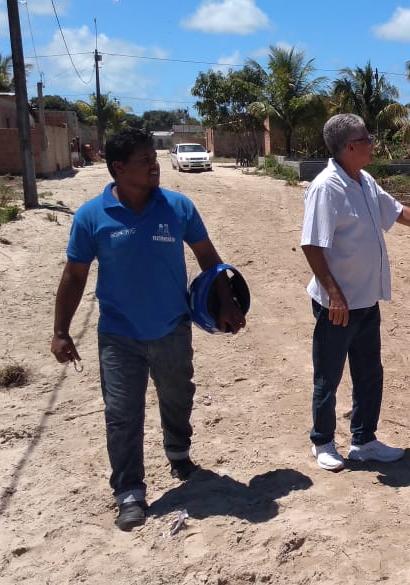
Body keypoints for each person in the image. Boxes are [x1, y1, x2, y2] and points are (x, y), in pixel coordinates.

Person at [50, 128, 245, 530]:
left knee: (178, 398)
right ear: (119, 168)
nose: (155, 164)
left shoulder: (178, 207)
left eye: (154, 159)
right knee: (122, 414)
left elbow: (209, 257)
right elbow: (74, 275)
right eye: (145, 160)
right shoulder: (91, 216)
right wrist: (61, 331)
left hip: (173, 327)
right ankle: (129, 492)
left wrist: (227, 303)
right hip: (119, 336)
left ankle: (178, 454)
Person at [301, 113, 410, 472]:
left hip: (366, 300)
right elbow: (312, 245)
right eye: (366, 139)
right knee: (328, 376)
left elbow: (396, 212)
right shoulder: (326, 187)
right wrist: (334, 294)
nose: (373, 144)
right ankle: (323, 442)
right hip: (338, 304)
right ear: (349, 147)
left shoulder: (363, 181)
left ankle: (363, 440)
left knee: (368, 373)